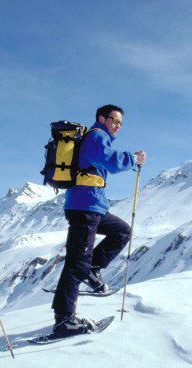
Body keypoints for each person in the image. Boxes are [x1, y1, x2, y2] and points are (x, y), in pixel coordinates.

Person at [51, 105, 147, 338]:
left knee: (122, 232)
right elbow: (110, 161)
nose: (118, 126)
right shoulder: (96, 136)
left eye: (121, 123)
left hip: (92, 206)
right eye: (115, 120)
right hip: (85, 208)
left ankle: (92, 270)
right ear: (102, 118)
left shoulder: (94, 137)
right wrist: (133, 159)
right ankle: (64, 320)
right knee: (76, 264)